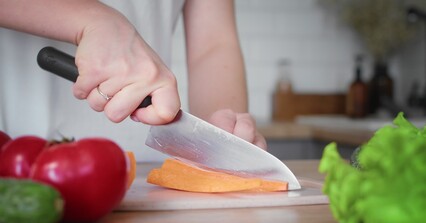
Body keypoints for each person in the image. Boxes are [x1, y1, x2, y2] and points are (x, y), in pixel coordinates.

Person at [0, 0, 266, 161]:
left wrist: (220, 134)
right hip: (17, 157)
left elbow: (213, 45)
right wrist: (93, 19)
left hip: (147, 175)